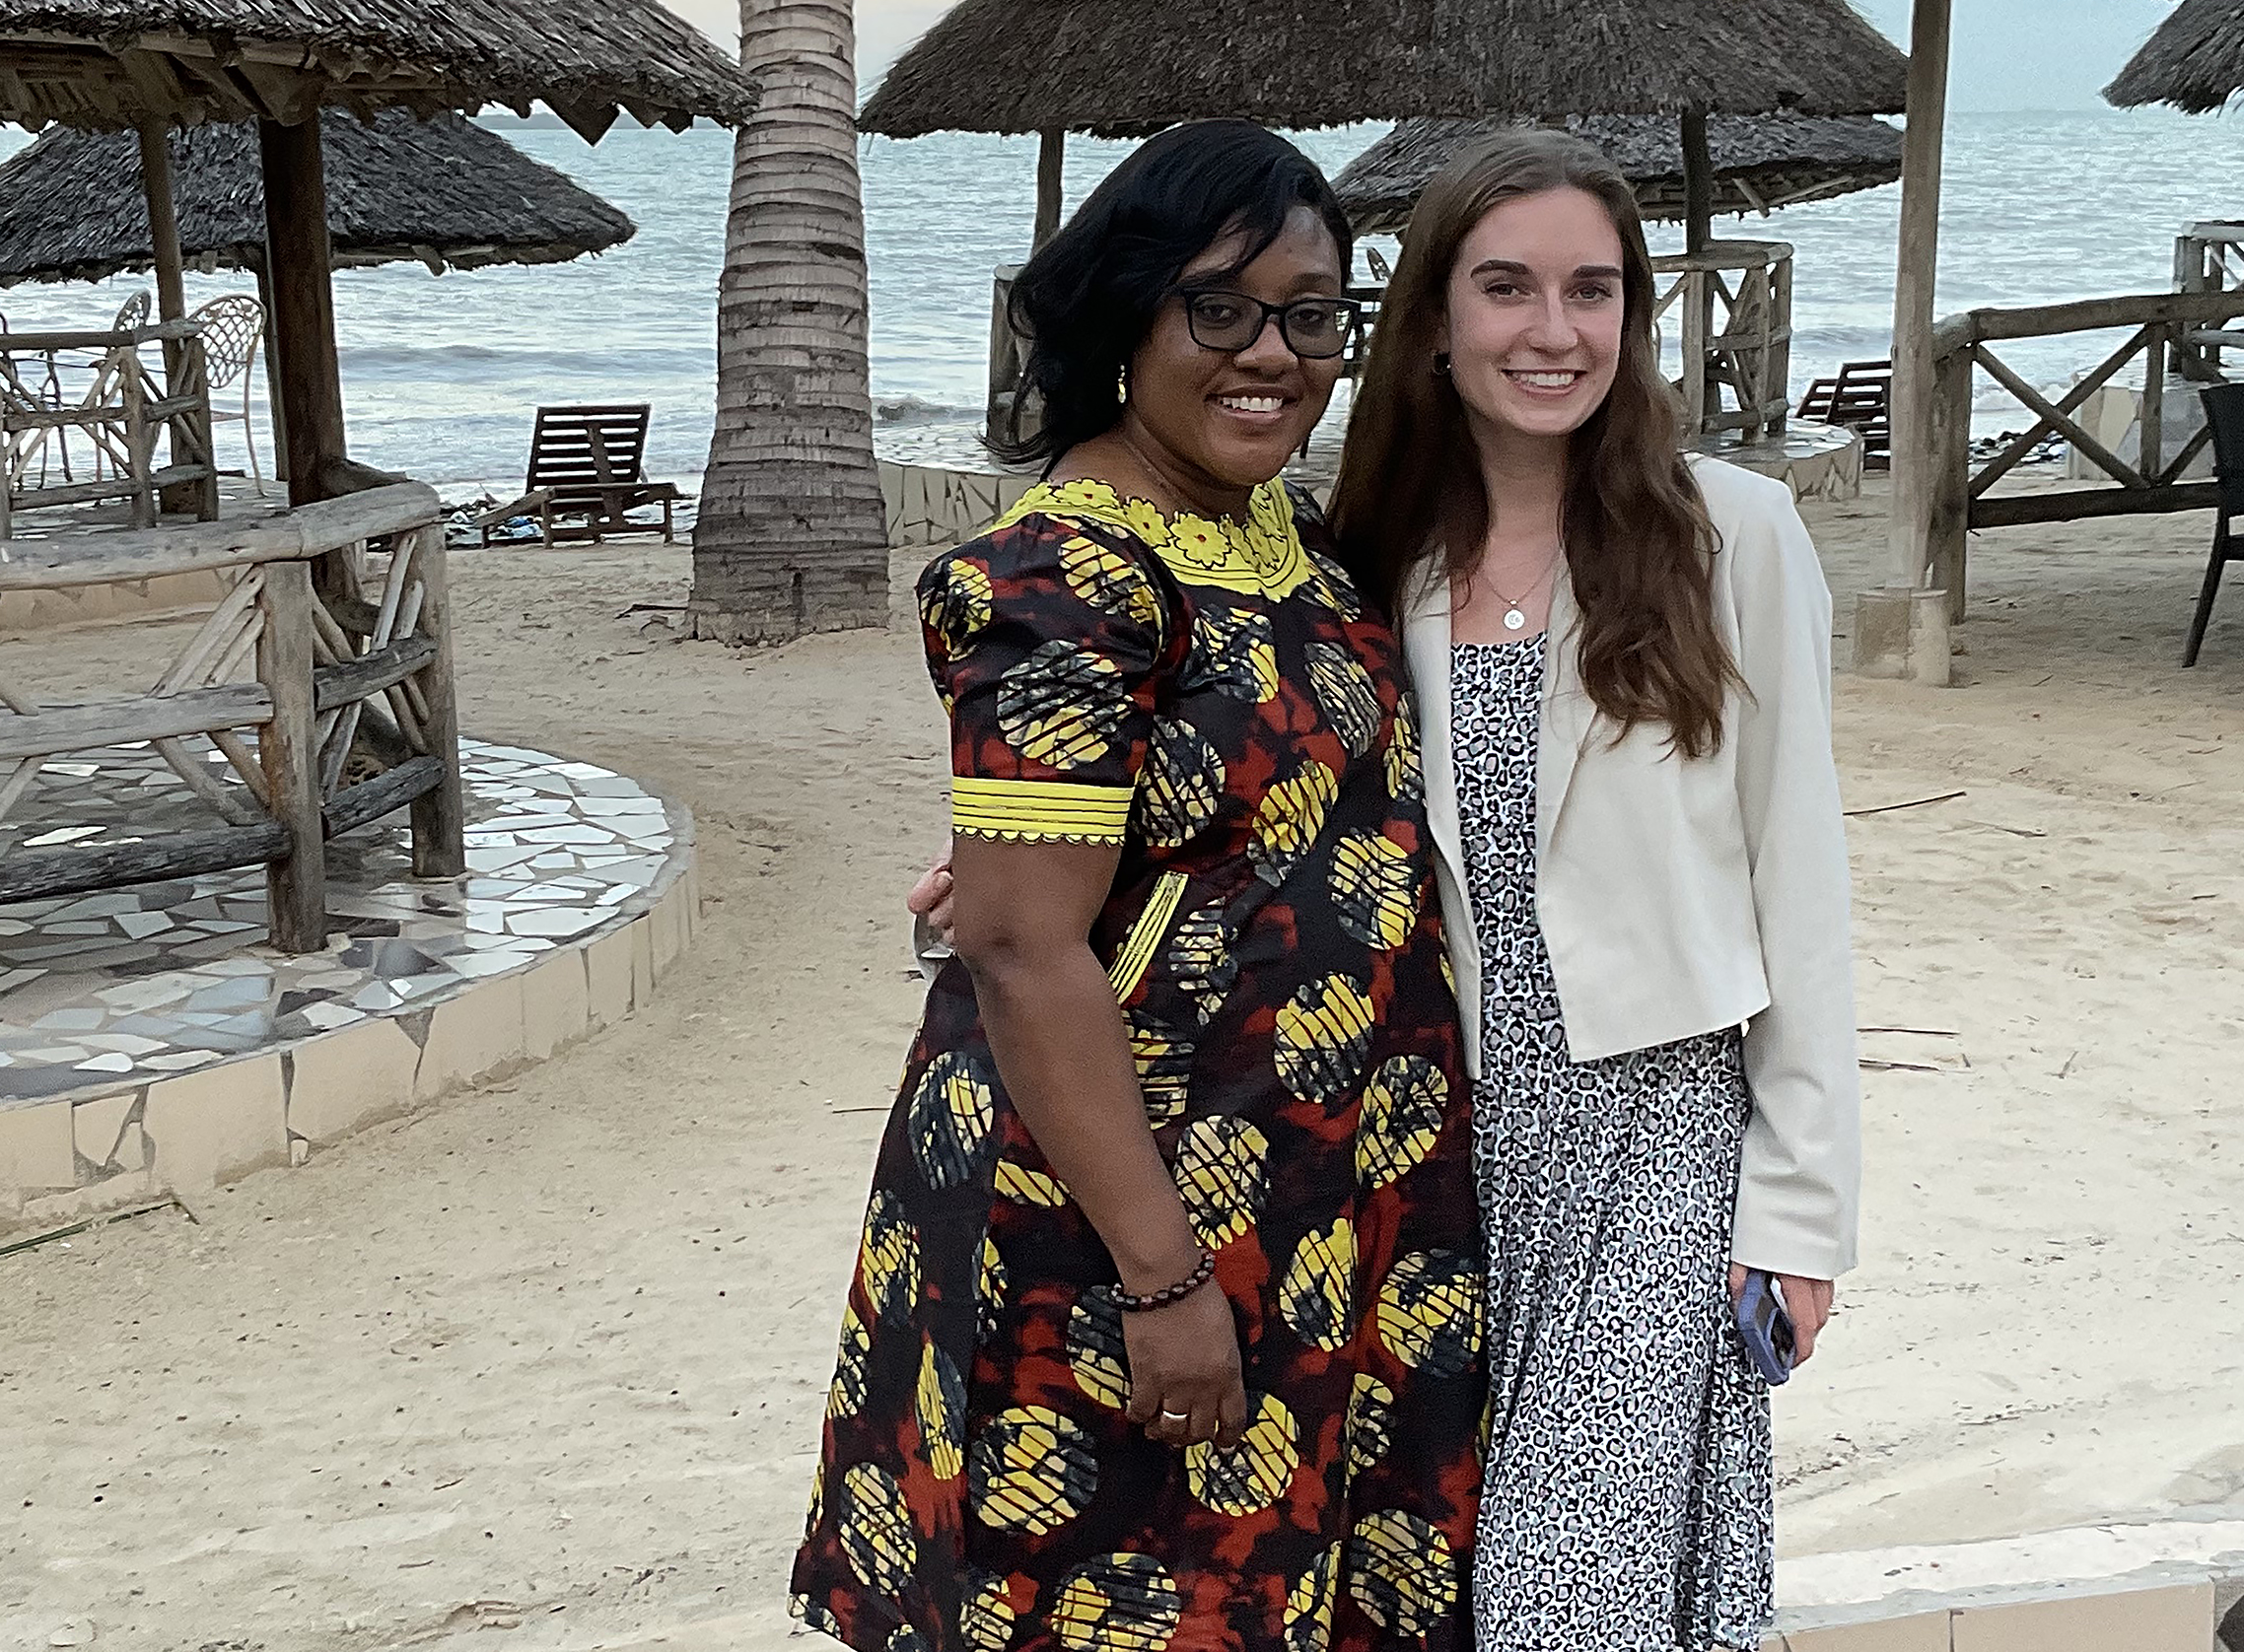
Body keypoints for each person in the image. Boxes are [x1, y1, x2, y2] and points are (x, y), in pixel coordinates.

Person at [796, 120, 1488, 1652]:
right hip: (1125, 1212)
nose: (1275, 354)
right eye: (1220, 307)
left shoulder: (1295, 541)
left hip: (1329, 1194)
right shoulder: (1057, 578)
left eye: (1314, 314)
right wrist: (1163, 1278)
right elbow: (1028, 953)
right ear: (1127, 318)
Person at [1327, 129, 1858, 1650]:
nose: (1553, 331)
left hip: (1658, 1142)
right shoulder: (1376, 553)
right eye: (1506, 288)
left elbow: (1802, 879)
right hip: (1432, 1152)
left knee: (1570, 1604)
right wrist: (1012, 875)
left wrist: (1802, 1217)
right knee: (1436, 1580)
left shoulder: (1727, 533)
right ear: (1433, 316)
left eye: (1592, 290)